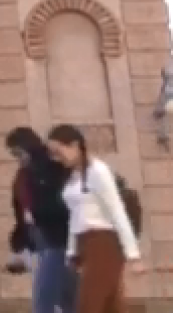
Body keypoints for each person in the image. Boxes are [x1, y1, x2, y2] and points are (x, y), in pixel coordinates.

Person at [46, 124, 144, 313]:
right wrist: (72, 250)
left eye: (59, 152)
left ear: (75, 145)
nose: (57, 158)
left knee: (89, 303)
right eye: (53, 154)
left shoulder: (97, 171)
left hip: (104, 243)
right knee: (109, 305)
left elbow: (117, 211)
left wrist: (133, 255)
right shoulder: (74, 177)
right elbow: (75, 217)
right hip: (87, 244)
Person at [5, 126, 76, 313]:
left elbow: (65, 203)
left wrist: (38, 213)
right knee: (67, 297)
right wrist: (20, 245)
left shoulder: (54, 168)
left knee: (44, 299)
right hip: (41, 242)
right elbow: (20, 212)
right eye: (14, 154)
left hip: (59, 240)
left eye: (19, 153)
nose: (18, 158)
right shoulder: (22, 176)